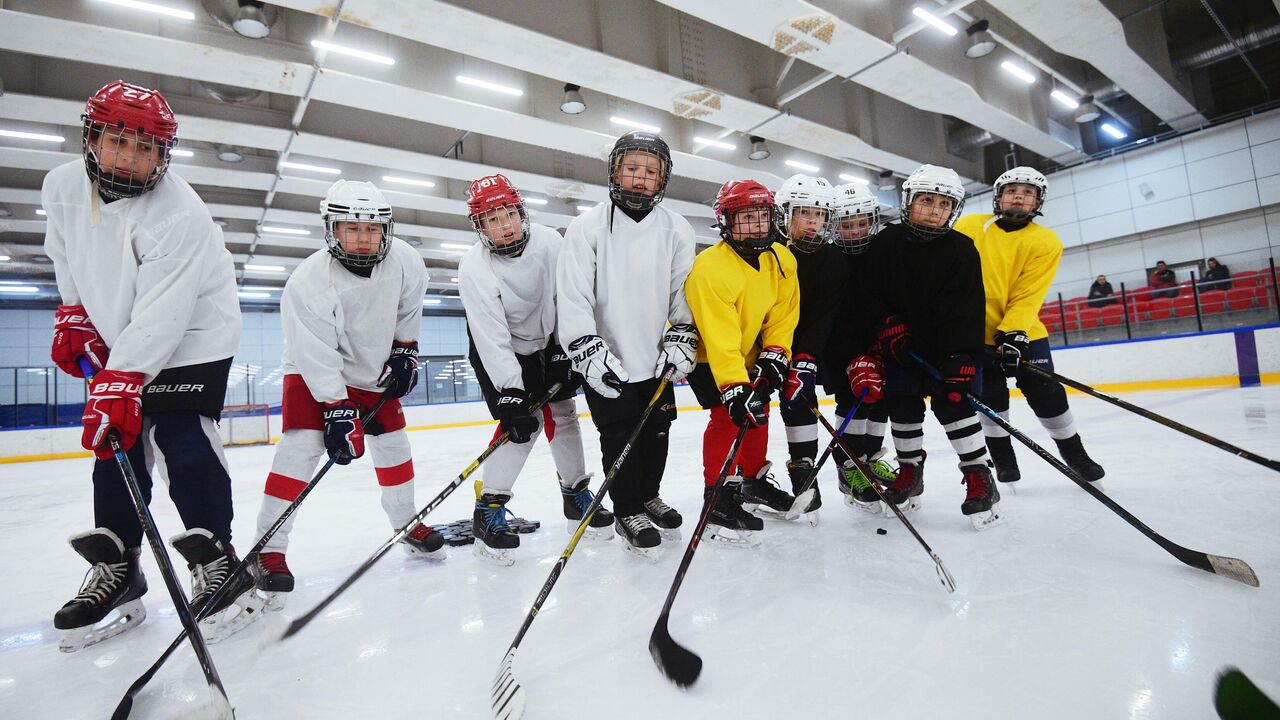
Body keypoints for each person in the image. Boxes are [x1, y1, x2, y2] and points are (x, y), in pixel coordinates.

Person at [44, 81, 253, 650]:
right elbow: (62, 250)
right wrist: (74, 313)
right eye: (117, 141)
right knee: (117, 440)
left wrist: (123, 377)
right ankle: (120, 565)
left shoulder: (181, 212)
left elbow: (165, 313)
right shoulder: (61, 185)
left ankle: (216, 559)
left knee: (182, 436)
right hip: (122, 330)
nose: (130, 158)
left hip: (194, 335)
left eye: (147, 147)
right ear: (92, 138)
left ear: (165, 153)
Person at [250, 179, 443, 605]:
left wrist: (405, 351)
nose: (362, 238)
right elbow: (315, 352)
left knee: (394, 445)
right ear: (333, 230)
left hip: (372, 369)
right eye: (351, 228)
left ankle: (405, 523)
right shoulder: (309, 281)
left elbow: (409, 310)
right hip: (312, 370)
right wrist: (337, 408)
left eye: (371, 229)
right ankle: (269, 548)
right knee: (300, 450)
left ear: (384, 230)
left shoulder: (407, 261)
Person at [557, 131, 697, 559]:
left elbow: (683, 292)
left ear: (663, 179)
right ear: (616, 171)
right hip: (608, 359)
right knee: (619, 437)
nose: (640, 178)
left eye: (650, 172)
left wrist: (682, 334)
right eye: (633, 169)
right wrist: (586, 349)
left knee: (658, 432)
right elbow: (573, 295)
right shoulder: (586, 227)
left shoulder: (677, 227)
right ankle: (627, 509)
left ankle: (649, 495)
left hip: (656, 359)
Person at [458, 174, 610, 566]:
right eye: (492, 219)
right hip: (501, 348)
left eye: (508, 214)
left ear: (521, 212)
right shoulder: (474, 266)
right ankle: (488, 507)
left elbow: (568, 298)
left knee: (564, 414)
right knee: (521, 427)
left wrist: (565, 346)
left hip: (548, 342)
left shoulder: (550, 242)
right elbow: (490, 334)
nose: (504, 225)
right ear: (480, 226)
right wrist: (510, 389)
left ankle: (575, 493)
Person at [852, 164, 1001, 531]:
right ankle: (909, 471)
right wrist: (886, 325)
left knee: (955, 406)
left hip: (948, 351)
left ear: (954, 209)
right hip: (901, 351)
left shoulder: (962, 249)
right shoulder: (885, 243)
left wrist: (960, 357)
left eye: (943, 204)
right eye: (926, 201)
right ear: (908, 202)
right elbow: (869, 294)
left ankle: (979, 474)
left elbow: (967, 307)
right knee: (903, 407)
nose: (935, 209)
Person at [955, 167, 1105, 489]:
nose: (1019, 197)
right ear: (998, 197)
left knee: (1047, 392)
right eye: (1012, 191)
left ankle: (1075, 455)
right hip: (975, 335)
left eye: (1027, 193)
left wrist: (1012, 334)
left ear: (1037, 202)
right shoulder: (969, 226)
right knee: (990, 396)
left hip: (1024, 332)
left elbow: (1029, 293)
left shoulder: (1046, 241)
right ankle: (1004, 458)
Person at [685, 180, 799, 545]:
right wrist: (735, 385)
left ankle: (752, 481)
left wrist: (776, 353)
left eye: (763, 216)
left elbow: (784, 314)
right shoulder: (709, 268)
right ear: (726, 222)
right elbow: (719, 338)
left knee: (760, 409)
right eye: (746, 217)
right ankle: (717, 497)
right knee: (727, 415)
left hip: (751, 351)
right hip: (710, 357)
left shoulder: (782, 259)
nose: (757, 225)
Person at [760, 174, 837, 521]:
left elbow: (825, 315)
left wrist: (805, 358)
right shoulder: (765, 252)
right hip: (764, 346)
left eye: (820, 215)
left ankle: (804, 473)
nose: (814, 222)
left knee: (800, 402)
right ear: (785, 214)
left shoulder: (833, 260)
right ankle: (746, 480)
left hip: (802, 346)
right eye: (805, 213)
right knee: (752, 410)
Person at [829, 183, 898, 513]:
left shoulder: (883, 254)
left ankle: (870, 458)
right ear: (834, 225)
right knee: (852, 400)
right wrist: (852, 357)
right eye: (846, 224)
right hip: (844, 349)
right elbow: (834, 315)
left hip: (881, 343)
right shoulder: (831, 260)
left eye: (860, 223)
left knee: (880, 401)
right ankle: (849, 466)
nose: (855, 231)